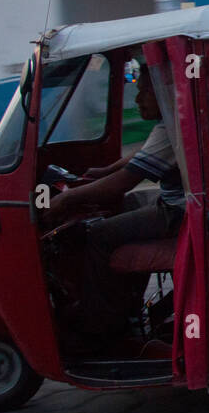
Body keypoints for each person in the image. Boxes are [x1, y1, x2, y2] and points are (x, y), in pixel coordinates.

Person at [46, 74, 184, 339]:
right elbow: (144, 155)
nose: (138, 99)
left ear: (163, 93)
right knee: (125, 206)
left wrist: (66, 199)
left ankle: (100, 323)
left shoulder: (171, 127)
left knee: (98, 235)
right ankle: (124, 302)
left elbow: (125, 181)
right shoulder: (168, 123)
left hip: (177, 211)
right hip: (173, 202)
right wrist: (102, 171)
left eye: (144, 92)